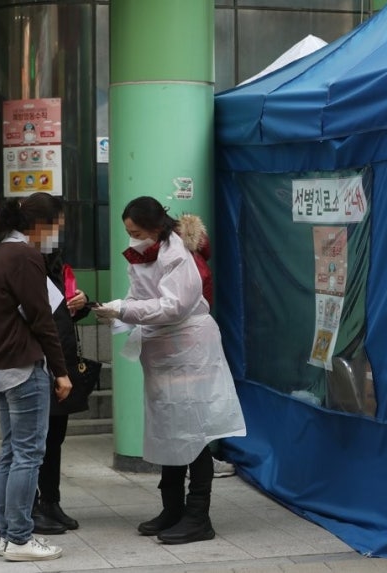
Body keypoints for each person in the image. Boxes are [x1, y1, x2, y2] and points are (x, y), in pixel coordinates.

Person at [93, 196, 246, 545]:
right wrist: (116, 311)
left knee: (192, 431)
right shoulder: (144, 253)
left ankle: (198, 516)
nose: (132, 238)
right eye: (129, 232)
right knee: (168, 428)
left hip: (190, 350)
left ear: (155, 227)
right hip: (163, 353)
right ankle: (172, 508)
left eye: (136, 232)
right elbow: (138, 298)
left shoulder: (177, 253)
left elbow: (174, 306)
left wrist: (124, 310)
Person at [0, 192, 72, 562]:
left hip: (2, 365)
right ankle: (19, 537)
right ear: (40, 225)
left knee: (11, 453)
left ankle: (7, 535)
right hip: (24, 366)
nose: (56, 235)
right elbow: (41, 318)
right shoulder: (25, 256)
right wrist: (61, 371)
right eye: (56, 227)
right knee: (28, 455)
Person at [32, 246, 92, 535]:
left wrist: (81, 302)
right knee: (33, 442)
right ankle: (29, 505)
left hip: (62, 362)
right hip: (37, 364)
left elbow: (62, 316)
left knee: (54, 438)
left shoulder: (59, 268)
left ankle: (50, 501)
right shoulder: (24, 265)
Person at [176, 213, 237, 479]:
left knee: (189, 405)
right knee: (196, 403)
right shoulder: (199, 260)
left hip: (185, 338)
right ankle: (199, 462)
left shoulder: (182, 262)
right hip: (197, 337)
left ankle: (196, 462)